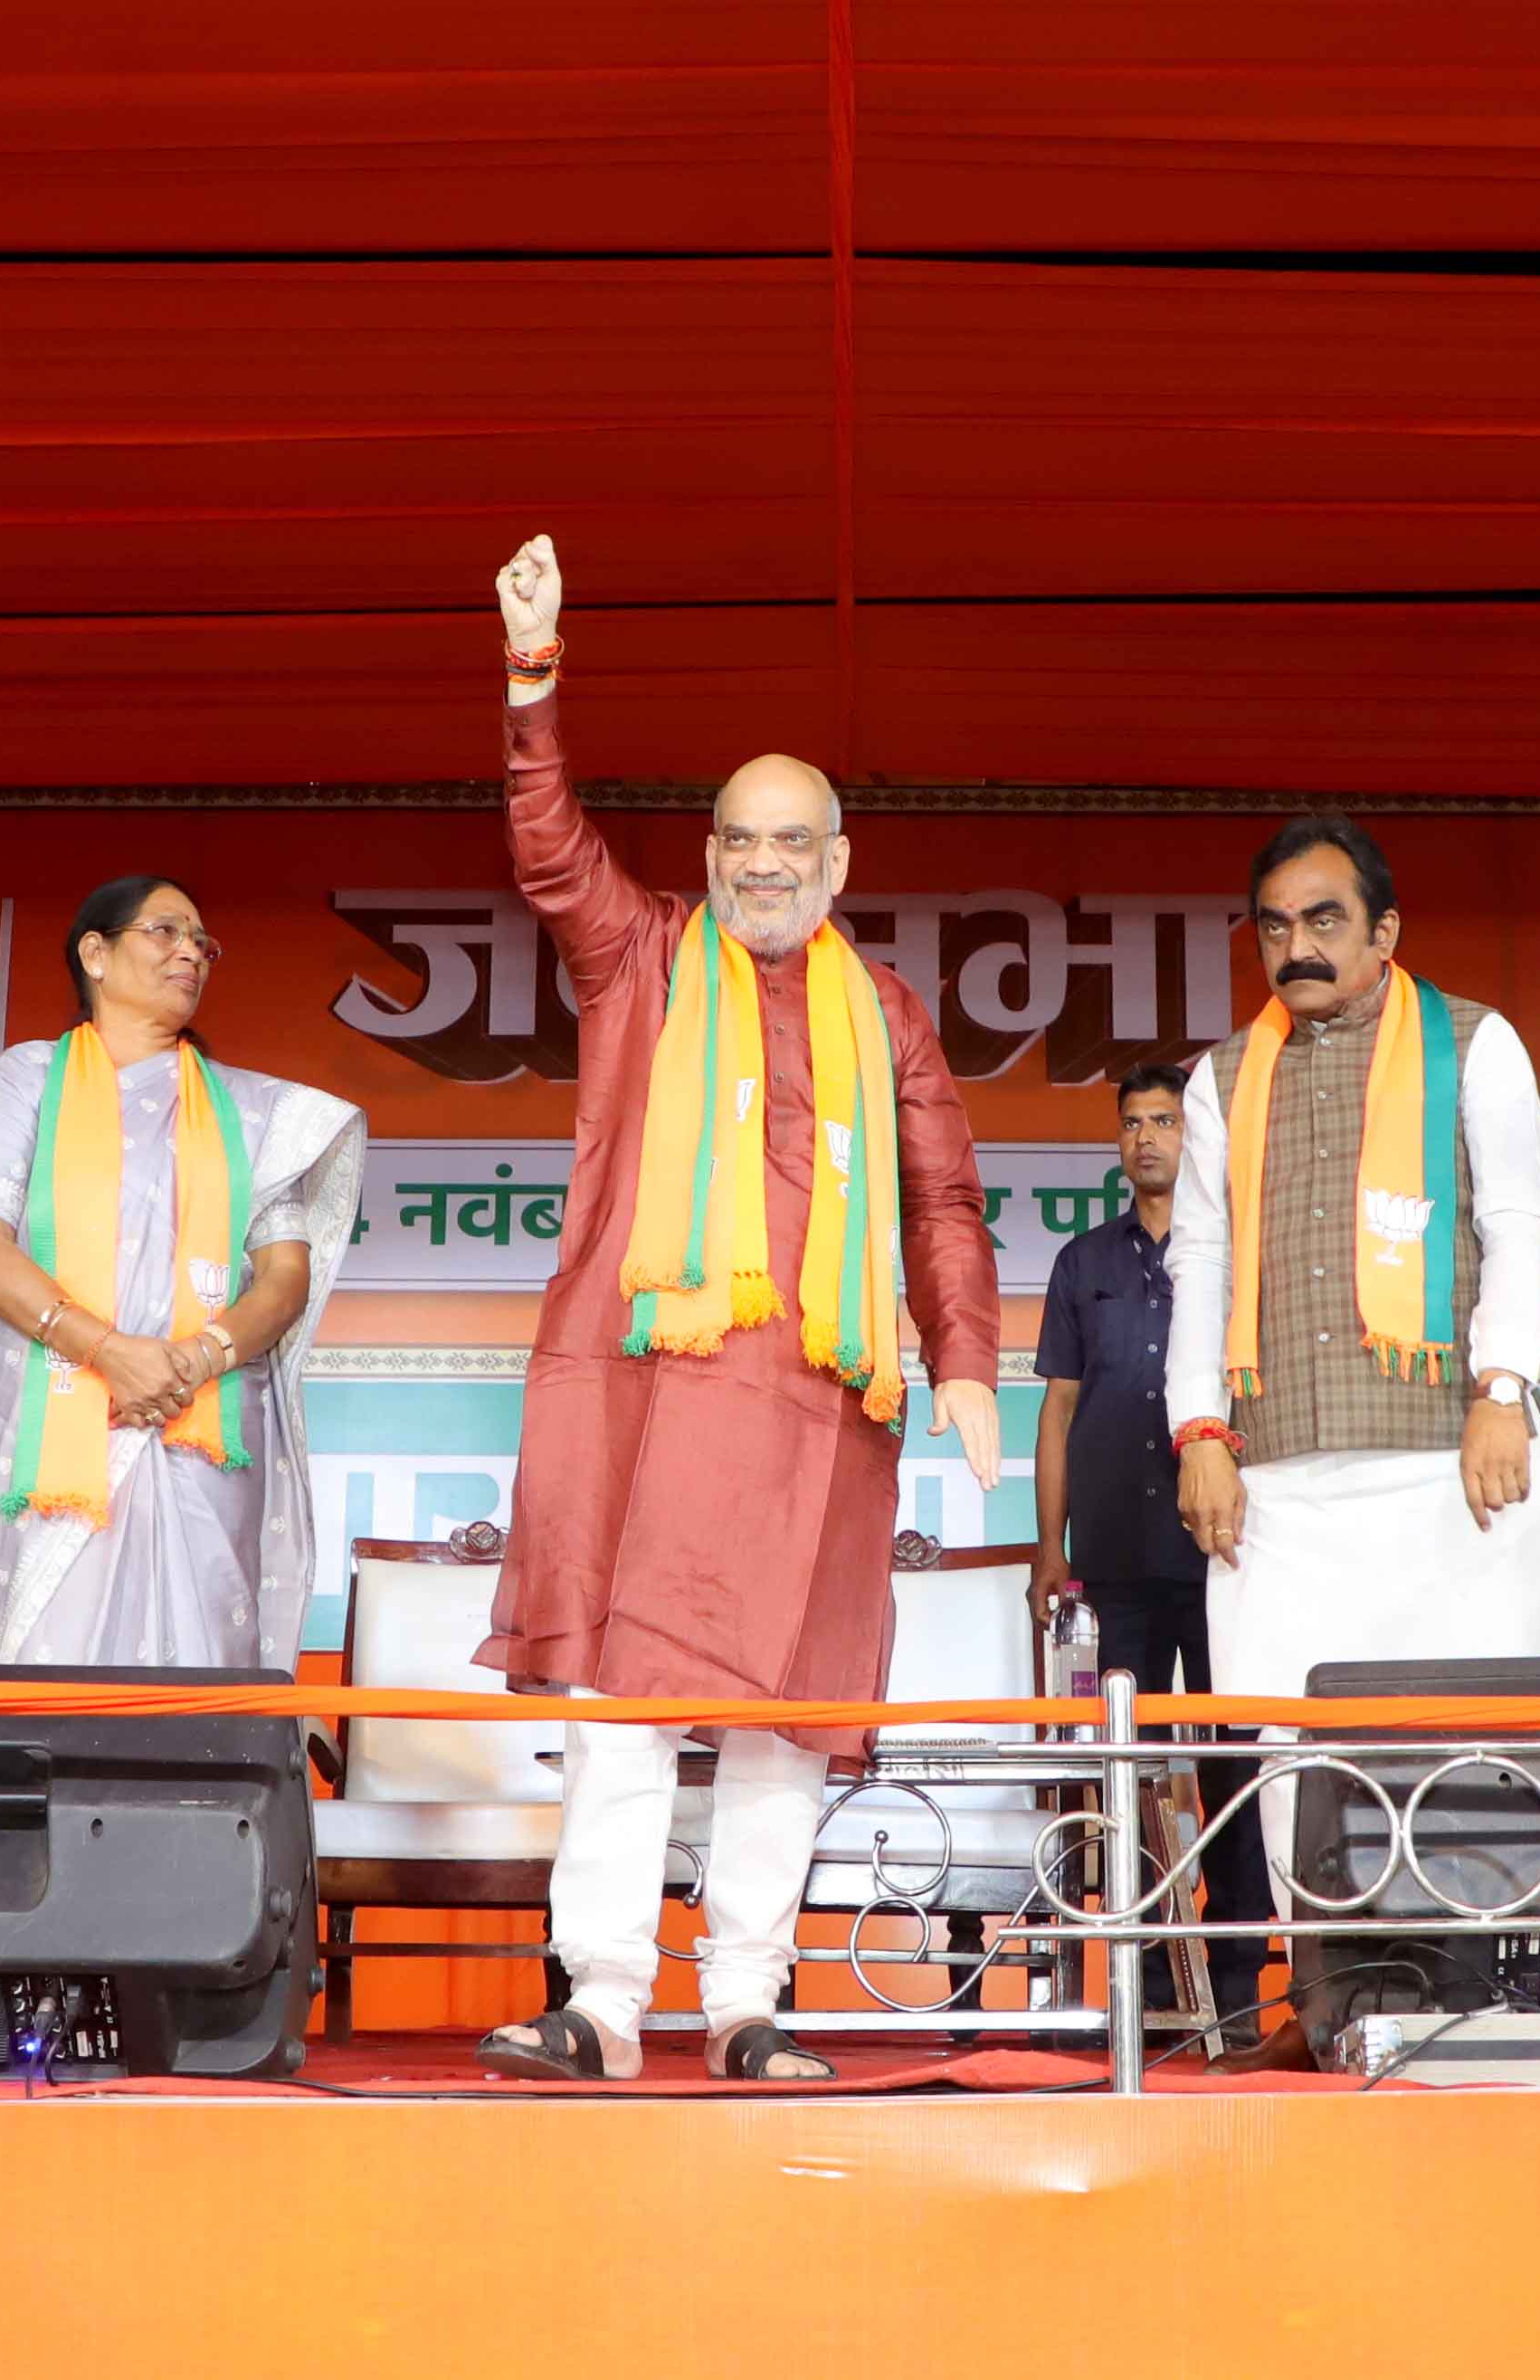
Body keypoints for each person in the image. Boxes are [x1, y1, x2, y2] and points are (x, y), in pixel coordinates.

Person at [469, 535, 1005, 2086]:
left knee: (784, 1722)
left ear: (840, 867)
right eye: (735, 840)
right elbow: (548, 844)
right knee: (627, 1715)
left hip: (820, 1413)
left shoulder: (887, 1012)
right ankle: (605, 2004)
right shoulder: (641, 962)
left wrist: (965, 1360)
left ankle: (749, 2007)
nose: (762, 864)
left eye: (793, 844)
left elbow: (942, 1204)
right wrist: (531, 679)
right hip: (648, 1399)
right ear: (706, 856)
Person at [1166, 815, 1540, 2052]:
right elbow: (1199, 1260)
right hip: (1282, 1480)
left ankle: (1462, 2005)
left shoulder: (1474, 1043)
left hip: (1448, 1468)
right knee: (1302, 1769)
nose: (1294, 947)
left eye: (1323, 920)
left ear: (1384, 930)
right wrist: (1198, 1424)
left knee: (1461, 1758)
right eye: (1273, 926)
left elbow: (1520, 1224)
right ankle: (1337, 2001)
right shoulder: (1219, 1078)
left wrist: (1500, 1390)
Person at [0, 882, 366, 1665]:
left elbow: (285, 1278)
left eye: (202, 941)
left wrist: (193, 1360)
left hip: (203, 1416)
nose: (190, 951)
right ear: (95, 953)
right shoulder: (26, 1080)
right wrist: (110, 1352)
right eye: (165, 931)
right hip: (60, 1416)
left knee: (200, 1673)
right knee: (57, 1675)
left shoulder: (249, 1111)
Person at [1032, 1062, 1273, 2038]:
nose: (1147, 1138)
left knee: (1233, 1767)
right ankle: (1146, 1985)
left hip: (1221, 1557)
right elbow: (1057, 1408)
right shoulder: (1083, 1259)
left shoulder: (1230, 1256)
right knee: (1122, 1772)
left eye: (1166, 1119)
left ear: (1194, 1135)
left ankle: (1241, 1980)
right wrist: (1051, 1549)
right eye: (1132, 1122)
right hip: (1117, 1560)